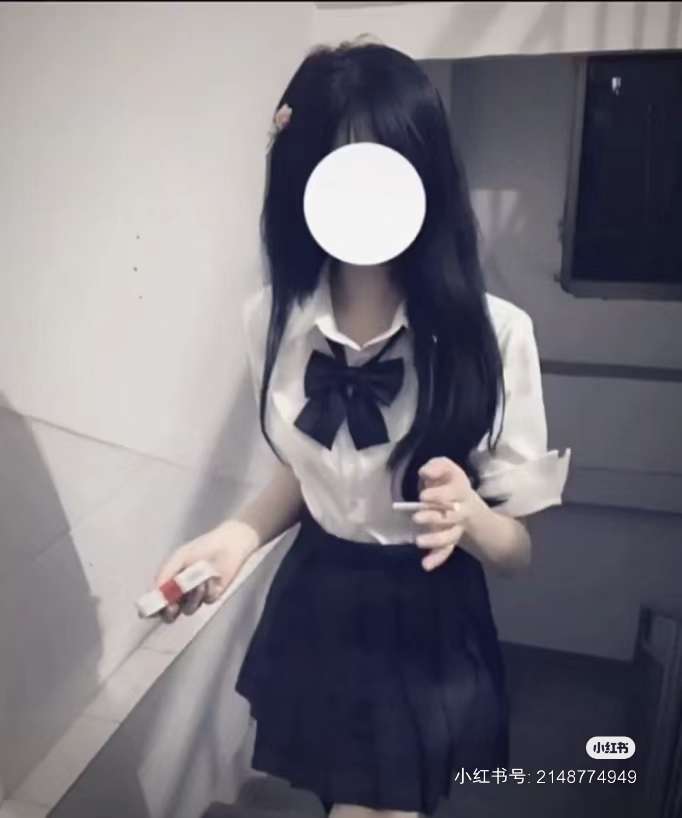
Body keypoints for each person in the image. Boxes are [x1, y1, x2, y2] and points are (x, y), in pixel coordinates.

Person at [154, 39, 572, 818]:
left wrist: (472, 518)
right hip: (321, 599)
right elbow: (313, 471)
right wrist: (235, 538)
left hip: (428, 613)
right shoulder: (270, 323)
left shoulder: (497, 335)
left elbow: (518, 550)